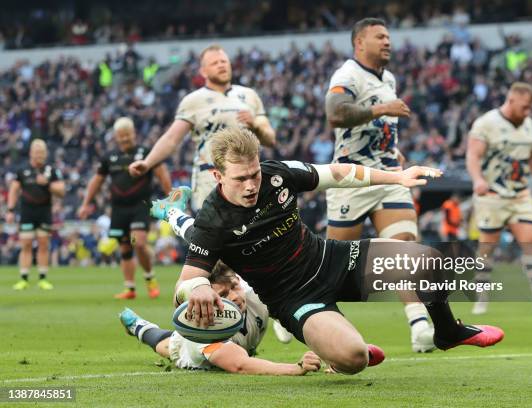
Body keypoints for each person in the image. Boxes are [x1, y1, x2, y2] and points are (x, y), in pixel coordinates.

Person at [154, 127, 504, 375]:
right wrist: (196, 287)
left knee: (428, 259)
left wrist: (396, 177)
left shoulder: (278, 175)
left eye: (254, 175)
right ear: (217, 176)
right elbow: (187, 280)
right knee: (354, 360)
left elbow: (336, 172)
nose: (250, 185)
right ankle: (337, 347)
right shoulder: (213, 220)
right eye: (239, 179)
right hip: (293, 298)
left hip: (330, 258)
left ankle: (447, 331)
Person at [323, 17, 434, 352]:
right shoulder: (347, 75)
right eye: (380, 37)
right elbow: (336, 114)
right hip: (351, 179)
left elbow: (381, 126)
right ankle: (290, 306)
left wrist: (393, 149)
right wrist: (381, 108)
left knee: (402, 247)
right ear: (360, 43)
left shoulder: (389, 78)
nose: (388, 41)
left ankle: (419, 326)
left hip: (389, 176)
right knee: (334, 267)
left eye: (388, 36)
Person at [466, 82, 532, 314]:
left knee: (531, 242)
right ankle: (481, 298)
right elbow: (473, 155)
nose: (528, 112)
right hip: (492, 194)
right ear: (511, 100)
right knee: (487, 248)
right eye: (524, 107)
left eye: (530, 108)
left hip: (520, 193)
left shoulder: (528, 124)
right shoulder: (486, 123)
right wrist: (477, 180)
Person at [128, 44, 276, 210]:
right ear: (203, 71)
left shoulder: (249, 96)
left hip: (247, 178)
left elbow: (270, 140)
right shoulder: (193, 100)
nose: (221, 65)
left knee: (251, 234)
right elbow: (171, 139)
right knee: (214, 235)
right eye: (215, 63)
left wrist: (255, 124)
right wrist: (147, 163)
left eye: (224, 61)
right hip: (210, 179)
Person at [119, 261, 322, 374]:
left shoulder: (254, 294)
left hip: (244, 344)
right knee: (167, 345)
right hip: (189, 351)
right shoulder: (206, 331)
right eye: (223, 296)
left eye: (234, 286)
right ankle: (138, 326)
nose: (234, 296)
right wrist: (296, 369)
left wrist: (333, 356)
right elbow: (240, 364)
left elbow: (302, 314)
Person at [78, 117, 171, 299]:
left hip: (140, 206)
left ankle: (150, 278)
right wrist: (85, 203)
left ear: (133, 133)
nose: (124, 139)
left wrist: (171, 198)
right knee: (125, 249)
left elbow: (162, 174)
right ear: (116, 136)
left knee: (139, 243)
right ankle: (130, 288)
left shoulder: (146, 153)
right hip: (119, 209)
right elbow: (96, 181)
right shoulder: (109, 158)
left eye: (127, 135)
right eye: (121, 136)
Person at [7, 139, 65, 290]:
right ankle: (24, 278)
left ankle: (43, 278)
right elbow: (14, 189)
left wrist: (47, 183)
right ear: (31, 153)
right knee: (25, 244)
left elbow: (61, 191)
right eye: (37, 152)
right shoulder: (22, 170)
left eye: (42, 152)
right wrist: (11, 210)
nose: (40, 155)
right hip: (27, 212)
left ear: (46, 154)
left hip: (44, 212)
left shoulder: (51, 171)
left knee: (43, 244)